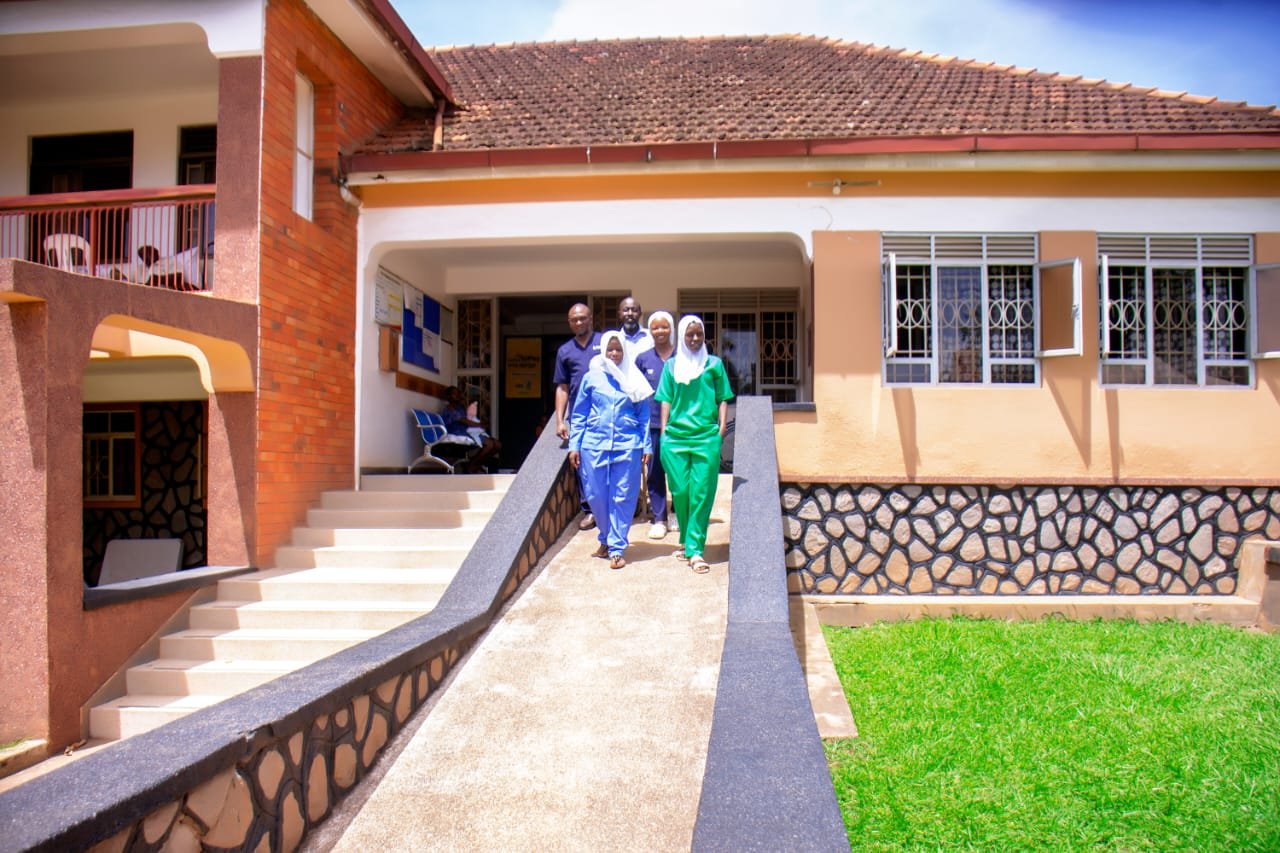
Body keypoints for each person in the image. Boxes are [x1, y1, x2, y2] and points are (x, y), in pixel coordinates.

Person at [655, 314, 733, 575]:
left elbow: (723, 398)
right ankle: (686, 541)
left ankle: (695, 550)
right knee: (681, 492)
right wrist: (664, 431)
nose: (695, 338)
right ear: (681, 336)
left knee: (701, 492)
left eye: (699, 333)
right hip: (675, 437)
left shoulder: (714, 365)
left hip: (706, 437)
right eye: (690, 334)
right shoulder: (671, 366)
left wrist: (721, 428)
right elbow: (665, 399)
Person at [569, 331, 652, 569]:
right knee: (596, 495)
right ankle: (606, 536)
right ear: (604, 352)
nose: (614, 354)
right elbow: (580, 413)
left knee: (623, 496)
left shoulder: (633, 379)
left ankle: (616, 547)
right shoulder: (592, 378)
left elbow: (643, 414)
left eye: (618, 350)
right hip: (594, 444)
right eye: (610, 350)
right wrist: (574, 444)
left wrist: (646, 444)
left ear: (625, 352)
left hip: (628, 445)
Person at [553, 302, 602, 529]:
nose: (579, 322)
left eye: (583, 318)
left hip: (605, 413)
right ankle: (590, 510)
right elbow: (562, 387)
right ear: (570, 323)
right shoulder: (565, 351)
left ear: (591, 318)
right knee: (582, 463)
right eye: (574, 319)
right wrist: (560, 420)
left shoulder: (604, 343)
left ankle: (610, 508)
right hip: (580, 416)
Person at [634, 310, 676, 539]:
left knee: (678, 472)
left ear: (671, 329)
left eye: (664, 327)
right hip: (651, 425)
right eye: (656, 327)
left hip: (679, 425)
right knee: (655, 473)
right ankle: (659, 518)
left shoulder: (683, 356)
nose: (660, 331)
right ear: (650, 331)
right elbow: (636, 394)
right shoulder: (643, 358)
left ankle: (677, 513)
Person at [441, 385, 501, 473]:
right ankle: (472, 465)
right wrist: (479, 425)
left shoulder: (460, 408)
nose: (457, 395)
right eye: (454, 394)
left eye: (458, 393)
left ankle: (474, 463)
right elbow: (464, 421)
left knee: (498, 445)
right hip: (458, 433)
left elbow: (469, 418)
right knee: (490, 445)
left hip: (468, 432)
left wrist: (480, 424)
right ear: (448, 396)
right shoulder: (449, 409)